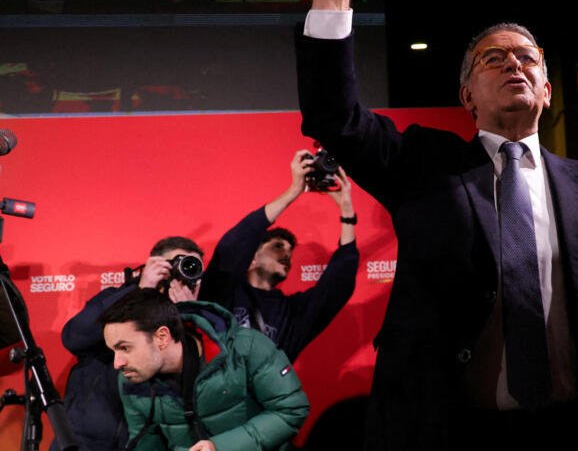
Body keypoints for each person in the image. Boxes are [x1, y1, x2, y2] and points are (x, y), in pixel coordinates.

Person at [294, 0, 578, 450]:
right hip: (455, 431)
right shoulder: (424, 165)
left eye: (527, 58)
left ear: (547, 90)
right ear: (466, 96)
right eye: (493, 59)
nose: (514, 65)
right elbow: (335, 116)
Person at [99, 287, 309, 451]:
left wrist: (220, 447)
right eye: (113, 351)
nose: (117, 363)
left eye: (125, 348)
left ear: (161, 337)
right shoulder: (130, 379)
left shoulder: (246, 348)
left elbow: (291, 409)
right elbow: (146, 442)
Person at [198, 148, 359, 361]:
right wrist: (294, 191)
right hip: (222, 392)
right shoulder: (223, 292)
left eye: (290, 251)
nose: (286, 255)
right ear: (252, 257)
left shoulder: (292, 312)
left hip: (270, 394)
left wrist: (347, 211)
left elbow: (339, 283)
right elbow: (234, 246)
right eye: (277, 247)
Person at [56, 236, 204, 451]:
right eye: (175, 265)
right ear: (153, 265)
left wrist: (191, 315)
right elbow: (74, 337)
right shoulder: (115, 298)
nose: (181, 273)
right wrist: (141, 291)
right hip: (87, 437)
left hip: (145, 438)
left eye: (191, 267)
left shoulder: (197, 316)